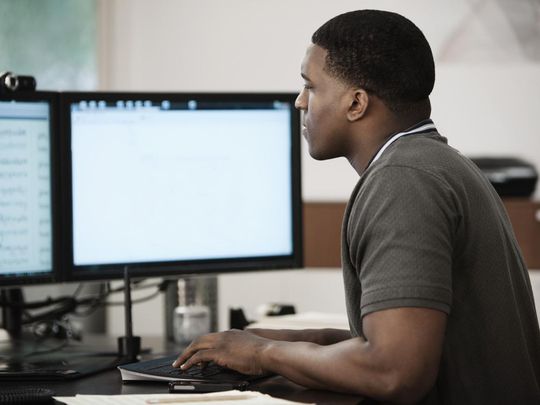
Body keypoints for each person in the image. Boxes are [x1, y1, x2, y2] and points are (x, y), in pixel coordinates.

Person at [173, 9, 540, 404]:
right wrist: (274, 340)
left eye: (310, 87)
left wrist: (264, 355)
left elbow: (394, 371)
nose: (299, 102)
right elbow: (398, 339)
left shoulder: (403, 180)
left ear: (356, 103)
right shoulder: (433, 163)